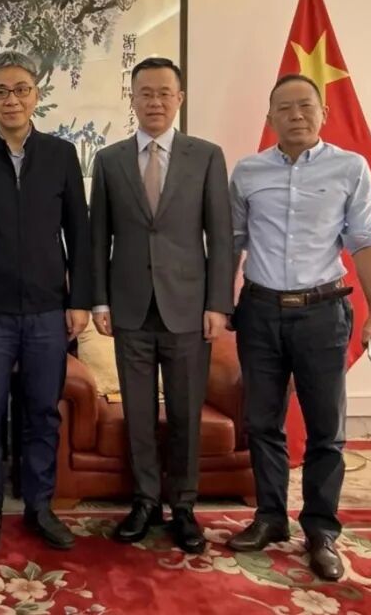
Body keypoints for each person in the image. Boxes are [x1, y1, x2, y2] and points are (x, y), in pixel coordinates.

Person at [227, 74, 371, 581]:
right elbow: (233, 241)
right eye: (284, 107)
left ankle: (321, 530)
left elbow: (365, 240)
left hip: (323, 312)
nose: (295, 115)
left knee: (326, 430)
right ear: (269, 118)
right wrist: (219, 304)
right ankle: (270, 517)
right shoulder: (247, 172)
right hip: (260, 311)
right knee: (262, 422)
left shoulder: (350, 167)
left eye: (305, 106)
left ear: (324, 113)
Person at [0, 50, 92, 553]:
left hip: (49, 310)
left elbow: (80, 233)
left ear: (36, 95)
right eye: (0, 91)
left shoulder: (61, 155)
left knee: (42, 413)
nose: (12, 99)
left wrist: (80, 299)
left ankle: (39, 507)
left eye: (21, 89)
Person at [88, 56, 233, 554]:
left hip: (189, 308)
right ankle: (145, 501)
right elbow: (98, 237)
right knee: (139, 412)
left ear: (180, 99)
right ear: (132, 99)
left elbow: (220, 236)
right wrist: (99, 299)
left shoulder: (206, 156)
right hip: (129, 307)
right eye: (145, 93)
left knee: (187, 412)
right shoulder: (109, 160)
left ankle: (184, 506)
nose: (155, 101)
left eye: (164, 93)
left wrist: (218, 304)